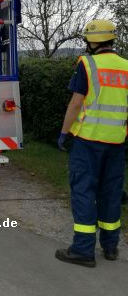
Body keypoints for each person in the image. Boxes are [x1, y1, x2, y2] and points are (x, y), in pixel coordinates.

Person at [55, 19, 128, 267]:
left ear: (92, 40)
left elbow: (76, 103)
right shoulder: (126, 67)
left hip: (87, 141)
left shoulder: (88, 64)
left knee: (84, 191)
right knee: (111, 192)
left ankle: (83, 250)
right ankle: (110, 247)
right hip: (117, 143)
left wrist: (64, 133)